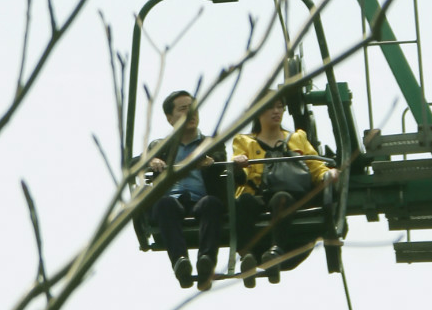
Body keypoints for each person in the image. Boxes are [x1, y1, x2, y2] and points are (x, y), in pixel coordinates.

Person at [232, 92, 337, 286]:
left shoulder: (297, 138)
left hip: (288, 195)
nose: (276, 111)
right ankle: (248, 255)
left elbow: (314, 165)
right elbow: (241, 175)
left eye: (280, 106)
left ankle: (276, 251)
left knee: (282, 198)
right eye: (270, 107)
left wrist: (327, 174)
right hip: (259, 195)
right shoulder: (245, 142)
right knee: (243, 202)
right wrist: (238, 166)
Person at [141, 90, 223, 292]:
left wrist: (212, 163)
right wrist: (152, 161)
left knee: (212, 203)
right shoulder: (161, 146)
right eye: (183, 109)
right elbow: (136, 163)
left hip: (200, 199)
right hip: (173, 201)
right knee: (164, 204)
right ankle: (180, 262)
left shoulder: (209, 144)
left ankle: (206, 260)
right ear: (170, 118)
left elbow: (222, 161)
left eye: (193, 108)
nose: (191, 113)